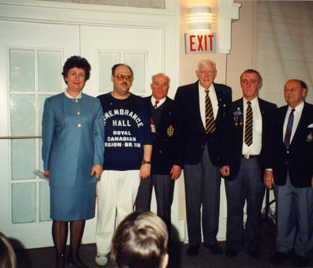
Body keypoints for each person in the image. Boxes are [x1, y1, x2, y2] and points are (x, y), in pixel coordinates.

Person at [42, 55, 105, 268]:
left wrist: (98, 162)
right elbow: (48, 137)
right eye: (73, 74)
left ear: (85, 78)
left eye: (81, 74)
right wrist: (47, 165)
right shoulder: (52, 103)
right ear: (65, 77)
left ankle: (74, 255)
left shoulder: (94, 104)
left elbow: (98, 135)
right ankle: (60, 258)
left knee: (80, 213)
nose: (77, 78)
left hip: (87, 168)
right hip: (60, 167)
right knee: (60, 215)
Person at [264, 79, 313, 267]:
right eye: (285, 90)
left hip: (307, 175)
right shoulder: (276, 114)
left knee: (306, 215)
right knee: (283, 214)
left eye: (293, 89)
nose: (288, 93)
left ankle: (303, 251)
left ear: (304, 91)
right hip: (281, 174)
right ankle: (283, 249)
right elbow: (269, 145)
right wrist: (268, 170)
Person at [95, 63, 154, 266]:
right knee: (106, 210)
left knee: (126, 211)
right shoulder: (100, 102)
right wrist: (95, 163)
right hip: (107, 167)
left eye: (128, 76)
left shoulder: (140, 103)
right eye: (120, 76)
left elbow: (148, 135)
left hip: (132, 167)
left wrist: (146, 162)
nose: (124, 80)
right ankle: (103, 249)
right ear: (112, 78)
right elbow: (92, 136)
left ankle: (122, 249)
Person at [174, 58, 232, 256]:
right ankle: (194, 241)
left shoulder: (225, 91)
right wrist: (178, 160)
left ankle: (211, 239)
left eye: (210, 72)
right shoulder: (184, 92)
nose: (207, 75)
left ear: (215, 73)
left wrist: (225, 159)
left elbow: (226, 130)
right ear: (196, 73)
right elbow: (179, 127)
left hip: (214, 154)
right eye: (203, 72)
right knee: (192, 200)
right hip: (191, 154)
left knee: (212, 199)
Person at [220, 69, 277, 258]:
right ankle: (234, 244)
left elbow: (272, 142)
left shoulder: (270, 108)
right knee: (234, 207)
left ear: (259, 84)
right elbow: (224, 139)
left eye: (252, 81)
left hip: (257, 165)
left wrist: (269, 168)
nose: (248, 85)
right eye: (244, 81)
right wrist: (224, 162)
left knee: (254, 208)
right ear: (240, 83)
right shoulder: (231, 107)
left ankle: (253, 244)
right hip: (235, 164)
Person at [136, 73, 183, 238]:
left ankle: (165, 243)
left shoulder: (176, 107)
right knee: (141, 208)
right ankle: (140, 242)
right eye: (157, 84)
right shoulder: (140, 104)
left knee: (164, 209)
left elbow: (180, 139)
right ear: (151, 85)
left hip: (166, 166)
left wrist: (178, 163)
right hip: (143, 165)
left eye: (164, 84)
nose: (160, 87)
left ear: (168, 87)